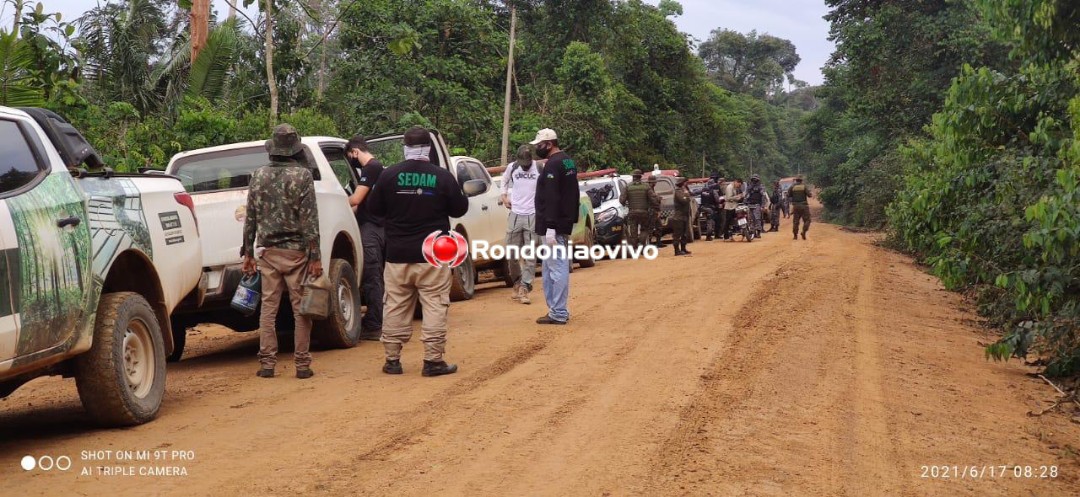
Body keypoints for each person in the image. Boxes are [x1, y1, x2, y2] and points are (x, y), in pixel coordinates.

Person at [367, 127, 469, 377]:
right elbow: (459, 209)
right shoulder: (442, 176)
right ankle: (433, 361)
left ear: (405, 146)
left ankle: (392, 360)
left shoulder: (388, 176)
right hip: (432, 256)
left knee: (395, 305)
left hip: (397, 255)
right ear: (429, 148)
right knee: (435, 304)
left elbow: (374, 210)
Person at [241, 124, 322, 380]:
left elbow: (250, 218)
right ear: (294, 149)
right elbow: (310, 221)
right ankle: (302, 365)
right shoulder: (302, 176)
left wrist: (248, 253)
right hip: (297, 254)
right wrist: (316, 256)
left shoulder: (258, 175)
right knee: (301, 309)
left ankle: (267, 364)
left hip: (268, 253)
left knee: (268, 309)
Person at [531, 128, 577, 325]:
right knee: (553, 267)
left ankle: (558, 312)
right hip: (563, 221)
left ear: (549, 144)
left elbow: (552, 196)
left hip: (553, 224)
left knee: (556, 268)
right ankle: (556, 309)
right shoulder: (568, 161)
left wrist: (550, 225)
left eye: (540, 145)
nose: (537, 149)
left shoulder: (552, 165)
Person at [345, 135, 386, 341]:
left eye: (350, 156)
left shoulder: (371, 168)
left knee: (372, 278)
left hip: (372, 229)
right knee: (376, 276)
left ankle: (374, 325)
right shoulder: (378, 168)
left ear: (355, 152)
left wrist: (340, 200)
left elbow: (357, 198)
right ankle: (377, 321)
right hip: (377, 227)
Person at [501, 144, 539, 305]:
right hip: (515, 214)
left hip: (532, 215)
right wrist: (504, 196)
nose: (525, 166)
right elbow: (504, 181)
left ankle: (525, 286)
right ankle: (517, 281)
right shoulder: (513, 167)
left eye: (527, 163)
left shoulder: (539, 168)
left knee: (530, 255)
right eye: (522, 162)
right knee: (511, 253)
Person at [619, 169, 656, 247]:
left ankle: (635, 247)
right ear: (640, 177)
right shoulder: (646, 186)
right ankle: (642, 243)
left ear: (633, 177)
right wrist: (655, 208)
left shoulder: (627, 187)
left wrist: (626, 204)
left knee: (633, 232)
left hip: (632, 212)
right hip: (644, 212)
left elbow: (622, 200)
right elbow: (653, 200)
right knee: (644, 229)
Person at [671, 177, 692, 256]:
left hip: (684, 215)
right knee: (677, 234)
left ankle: (683, 248)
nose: (686, 184)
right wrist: (687, 195)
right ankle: (677, 250)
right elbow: (683, 200)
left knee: (684, 233)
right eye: (685, 183)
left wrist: (687, 194)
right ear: (682, 184)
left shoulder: (683, 191)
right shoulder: (678, 192)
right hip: (679, 216)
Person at [698, 174, 722, 241]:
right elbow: (717, 200)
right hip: (710, 208)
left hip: (703, 208)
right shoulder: (713, 191)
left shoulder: (703, 191)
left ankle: (708, 235)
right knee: (710, 221)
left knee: (707, 221)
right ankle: (709, 235)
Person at [789, 176, 812, 240]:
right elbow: (809, 195)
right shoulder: (804, 186)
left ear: (796, 180)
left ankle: (795, 235)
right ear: (801, 180)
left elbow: (789, 195)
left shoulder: (792, 187)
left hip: (795, 206)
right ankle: (803, 232)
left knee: (796, 221)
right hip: (804, 206)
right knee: (807, 220)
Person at [647, 175, 662, 246]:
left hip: (654, 210)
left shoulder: (652, 189)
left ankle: (658, 242)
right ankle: (649, 243)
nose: (655, 183)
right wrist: (658, 198)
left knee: (659, 226)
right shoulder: (649, 189)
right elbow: (654, 201)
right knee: (650, 227)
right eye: (654, 182)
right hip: (651, 211)